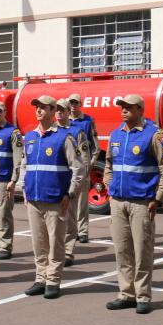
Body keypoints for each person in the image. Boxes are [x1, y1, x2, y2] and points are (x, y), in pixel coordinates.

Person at [102, 94, 163, 314]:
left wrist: (158, 197)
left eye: (129, 107)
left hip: (142, 202)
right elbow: (108, 164)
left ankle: (143, 295)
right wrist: (109, 188)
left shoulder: (153, 135)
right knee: (122, 250)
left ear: (140, 110)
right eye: (122, 106)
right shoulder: (116, 135)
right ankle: (126, 294)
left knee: (142, 250)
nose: (124, 110)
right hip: (118, 201)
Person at [22, 95, 84, 299]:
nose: (38, 110)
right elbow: (25, 166)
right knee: (39, 243)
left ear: (52, 110)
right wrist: (24, 190)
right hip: (34, 199)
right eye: (36, 107)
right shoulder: (30, 137)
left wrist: (70, 194)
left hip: (56, 200)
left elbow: (78, 168)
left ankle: (53, 280)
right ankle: (40, 278)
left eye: (43, 107)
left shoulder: (64, 137)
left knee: (56, 242)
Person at [56, 98, 88, 267]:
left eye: (63, 109)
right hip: (54, 183)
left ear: (69, 112)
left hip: (70, 183)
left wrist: (79, 182)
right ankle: (56, 251)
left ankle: (68, 252)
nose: (59, 112)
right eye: (57, 109)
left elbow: (83, 158)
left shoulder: (77, 132)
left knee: (69, 218)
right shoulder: (51, 131)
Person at [0, 102, 22, 260]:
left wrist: (13, 180)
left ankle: (6, 246)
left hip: (4, 180)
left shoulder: (12, 132)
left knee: (4, 214)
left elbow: (17, 158)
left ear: (5, 112)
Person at [68, 93, 98, 243]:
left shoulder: (87, 121)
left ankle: (83, 231)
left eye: (76, 103)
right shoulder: (63, 121)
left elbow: (95, 145)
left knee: (82, 201)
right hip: (69, 166)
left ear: (80, 104)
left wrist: (91, 162)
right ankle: (72, 230)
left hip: (83, 164)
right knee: (70, 200)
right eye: (71, 103)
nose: (73, 105)